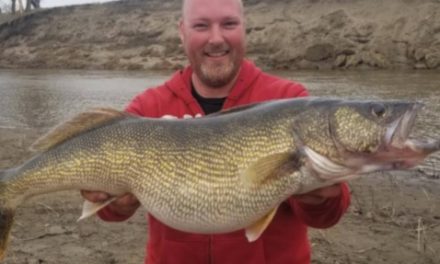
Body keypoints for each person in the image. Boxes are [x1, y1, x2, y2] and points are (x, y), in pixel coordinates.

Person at [81, 0, 351, 263]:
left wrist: (321, 200)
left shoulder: (289, 100)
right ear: (182, 31)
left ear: (244, 27)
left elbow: (324, 217)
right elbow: (111, 213)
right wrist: (115, 204)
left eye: (229, 23)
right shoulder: (148, 107)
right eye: (201, 26)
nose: (216, 38)